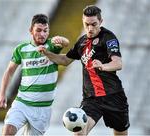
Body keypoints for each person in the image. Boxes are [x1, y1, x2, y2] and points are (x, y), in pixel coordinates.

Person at [38, 5, 130, 136]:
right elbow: (65, 60)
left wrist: (103, 66)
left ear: (101, 22)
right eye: (87, 24)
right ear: (83, 21)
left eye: (94, 24)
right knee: (79, 131)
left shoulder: (108, 38)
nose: (90, 28)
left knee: (120, 133)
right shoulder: (81, 42)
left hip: (114, 96)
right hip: (91, 99)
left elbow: (118, 63)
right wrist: (47, 53)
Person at [0, 14, 69, 135]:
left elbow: (66, 43)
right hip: (22, 103)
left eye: (45, 31)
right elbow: (9, 71)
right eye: (38, 30)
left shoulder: (51, 46)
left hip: (43, 108)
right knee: (7, 131)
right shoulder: (21, 49)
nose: (42, 34)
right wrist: (2, 94)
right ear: (31, 30)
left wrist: (62, 39)